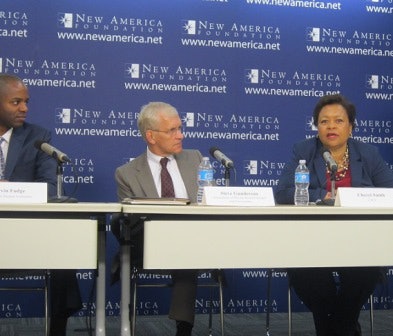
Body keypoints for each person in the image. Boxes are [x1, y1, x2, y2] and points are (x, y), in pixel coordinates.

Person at [275, 94, 393, 336]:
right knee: (308, 275)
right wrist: (322, 197)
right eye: (323, 121)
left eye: (338, 121)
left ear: (351, 126)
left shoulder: (368, 153)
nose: (330, 126)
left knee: (367, 271)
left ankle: (335, 326)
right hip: (312, 240)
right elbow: (283, 192)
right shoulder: (304, 151)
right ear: (316, 126)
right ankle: (346, 327)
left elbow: (389, 192)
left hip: (359, 239)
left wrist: (355, 197)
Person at [0, 74, 82, 335]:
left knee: (62, 248)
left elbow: (51, 188)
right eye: (15, 102)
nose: (24, 108)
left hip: (25, 231)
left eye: (26, 102)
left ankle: (58, 328)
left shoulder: (38, 137)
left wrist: (8, 190)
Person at [113, 101, 202, 336]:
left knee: (188, 254)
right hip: (150, 244)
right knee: (185, 253)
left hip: (193, 241)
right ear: (151, 136)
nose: (180, 135)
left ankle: (183, 329)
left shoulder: (196, 160)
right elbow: (129, 223)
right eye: (172, 130)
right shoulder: (127, 173)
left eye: (180, 128)